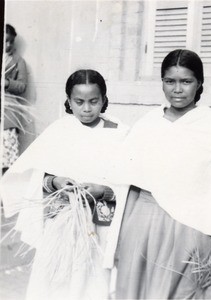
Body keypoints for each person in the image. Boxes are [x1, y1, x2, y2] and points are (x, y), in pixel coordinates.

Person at [106, 49, 211, 299]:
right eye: (169, 81)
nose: (177, 89)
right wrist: (119, 237)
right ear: (161, 82)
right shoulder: (148, 123)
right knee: (134, 289)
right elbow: (131, 185)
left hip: (188, 226)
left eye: (186, 81)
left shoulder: (209, 124)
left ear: (199, 83)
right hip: (143, 221)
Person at [0, 69, 128, 300]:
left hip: (101, 223)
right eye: (79, 102)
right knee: (57, 279)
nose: (86, 109)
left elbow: (129, 182)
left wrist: (104, 191)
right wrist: (55, 181)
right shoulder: (60, 131)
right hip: (62, 222)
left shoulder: (118, 133)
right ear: (69, 101)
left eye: (93, 101)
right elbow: (36, 174)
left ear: (104, 100)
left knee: (94, 277)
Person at [2, 24, 28, 174]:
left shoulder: (18, 61)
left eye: (11, 41)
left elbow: (22, 86)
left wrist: (7, 83)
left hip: (8, 115)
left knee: (6, 161)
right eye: (5, 41)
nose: (9, 45)